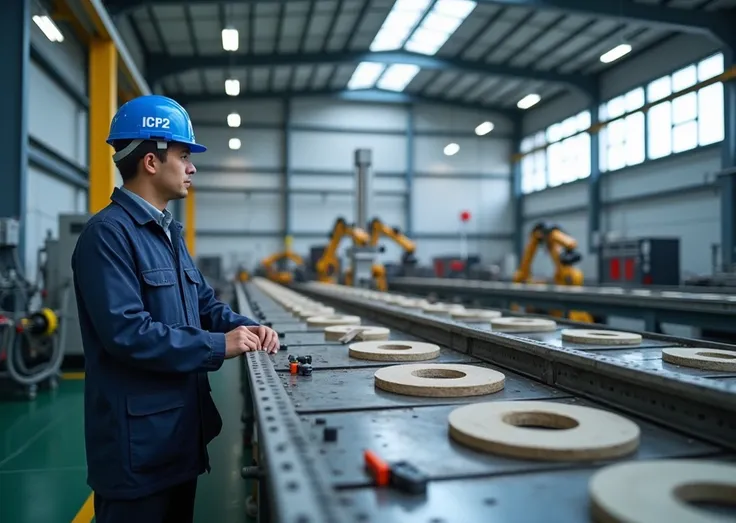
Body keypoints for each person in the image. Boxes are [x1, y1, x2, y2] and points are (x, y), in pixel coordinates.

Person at [71, 94, 279, 523]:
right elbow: (128, 332)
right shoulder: (107, 236)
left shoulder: (168, 233)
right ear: (151, 161)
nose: (192, 167)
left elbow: (202, 302)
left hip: (179, 440)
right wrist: (218, 345)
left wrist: (246, 327)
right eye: (184, 155)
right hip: (137, 453)